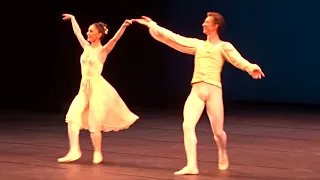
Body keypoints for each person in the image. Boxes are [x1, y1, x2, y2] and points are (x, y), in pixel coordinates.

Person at [132, 12, 265, 175]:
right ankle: (192, 165)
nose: (203, 24)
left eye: (206, 22)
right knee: (187, 125)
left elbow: (238, 59)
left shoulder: (224, 46)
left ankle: (222, 151)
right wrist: (154, 26)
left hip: (213, 90)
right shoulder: (198, 45)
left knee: (218, 132)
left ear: (215, 26)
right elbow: (175, 38)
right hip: (197, 89)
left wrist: (251, 67)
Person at [57, 13, 139, 164]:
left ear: (99, 35)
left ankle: (97, 152)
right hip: (83, 88)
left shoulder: (102, 51)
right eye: (88, 31)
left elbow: (114, 39)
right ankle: (74, 150)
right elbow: (77, 33)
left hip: (97, 89)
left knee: (95, 122)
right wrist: (74, 18)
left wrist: (124, 26)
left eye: (91, 31)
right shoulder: (86, 47)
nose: (88, 33)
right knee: (72, 117)